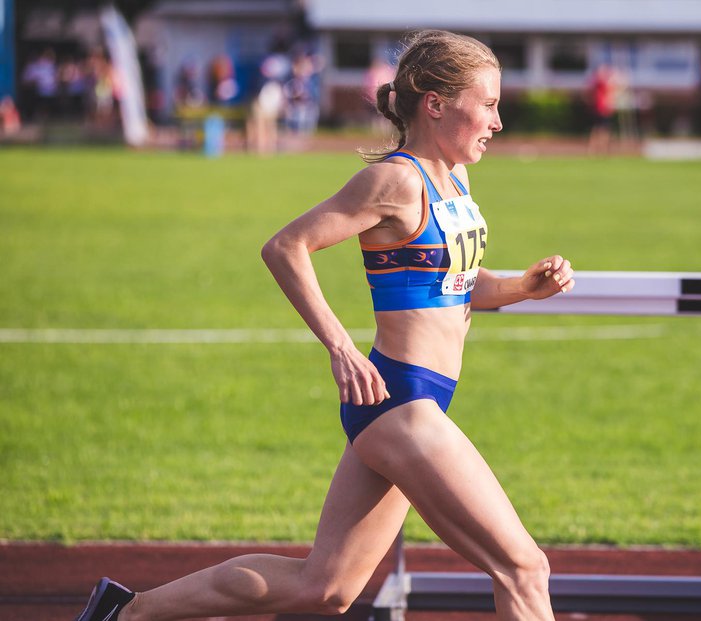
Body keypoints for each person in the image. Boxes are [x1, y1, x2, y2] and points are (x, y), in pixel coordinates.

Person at [72, 29, 574, 621]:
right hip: (401, 403)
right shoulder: (397, 180)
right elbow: (286, 246)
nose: (498, 121)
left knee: (325, 588)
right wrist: (340, 345)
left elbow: (456, 286)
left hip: (409, 402)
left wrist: (523, 287)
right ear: (436, 103)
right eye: (488, 104)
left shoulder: (455, 180)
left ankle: (124, 613)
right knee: (523, 567)